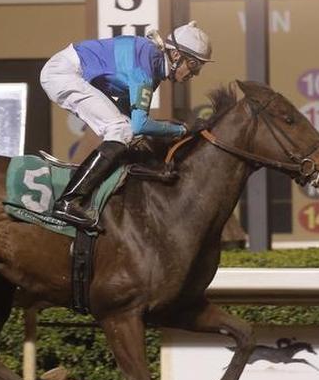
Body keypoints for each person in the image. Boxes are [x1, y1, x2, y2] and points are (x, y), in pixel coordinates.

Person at [39, 21, 213, 228]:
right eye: (193, 65)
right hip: (65, 73)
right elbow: (139, 125)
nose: (195, 74)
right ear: (176, 55)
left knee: (127, 132)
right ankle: (68, 201)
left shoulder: (154, 66)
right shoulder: (146, 66)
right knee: (121, 129)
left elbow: (132, 119)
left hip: (70, 71)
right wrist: (182, 129)